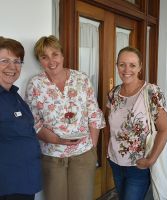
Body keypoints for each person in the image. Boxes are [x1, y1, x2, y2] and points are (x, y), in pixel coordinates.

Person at [25, 35, 106, 200]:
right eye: (44, 57)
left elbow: (94, 113)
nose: (51, 61)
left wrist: (92, 147)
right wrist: (55, 139)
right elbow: (32, 121)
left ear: (62, 55)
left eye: (55, 54)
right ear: (39, 60)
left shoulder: (81, 79)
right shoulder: (35, 84)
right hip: (51, 155)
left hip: (83, 153)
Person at [106, 46, 167, 200]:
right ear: (117, 66)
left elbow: (164, 130)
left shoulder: (152, 92)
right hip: (115, 162)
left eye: (132, 65)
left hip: (139, 165)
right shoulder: (113, 93)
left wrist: (151, 160)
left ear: (140, 67)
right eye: (122, 64)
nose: (127, 69)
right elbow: (111, 125)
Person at [0, 37, 42, 200]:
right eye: (4, 60)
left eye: (17, 61)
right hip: (7, 186)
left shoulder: (14, 95)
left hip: (23, 181)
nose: (12, 67)